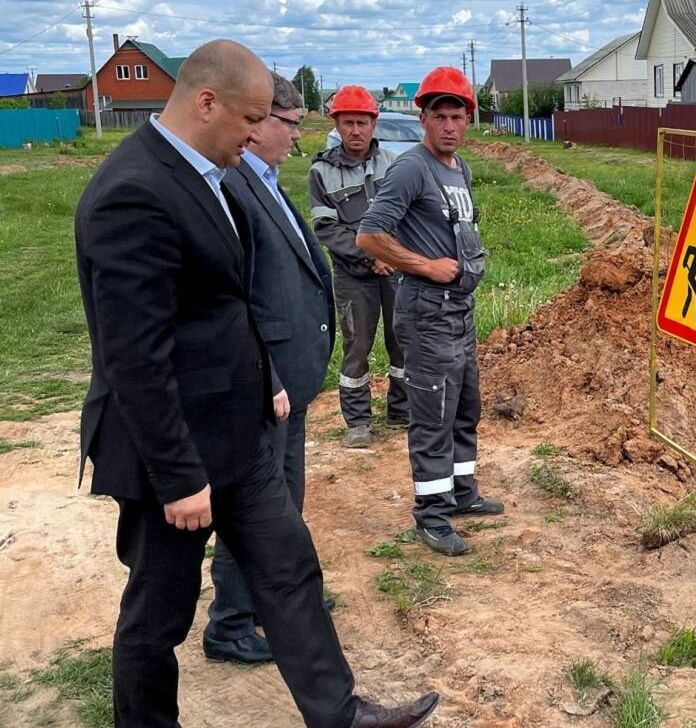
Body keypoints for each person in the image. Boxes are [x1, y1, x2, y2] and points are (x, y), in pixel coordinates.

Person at [75, 39, 438, 728]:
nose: (256, 136)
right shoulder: (134, 192)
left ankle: (338, 713)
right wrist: (180, 477)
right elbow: (134, 357)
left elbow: (227, 306)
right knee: (158, 610)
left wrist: (266, 377)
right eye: (248, 120)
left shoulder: (209, 176)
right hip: (172, 455)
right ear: (205, 102)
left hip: (239, 433)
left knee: (288, 570)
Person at [201, 72, 335, 664]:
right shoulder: (233, 189)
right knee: (257, 506)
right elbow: (233, 299)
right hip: (266, 384)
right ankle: (230, 623)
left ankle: (277, 602)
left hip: (289, 378)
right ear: (257, 125)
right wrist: (271, 376)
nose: (296, 136)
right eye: (290, 123)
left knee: (283, 502)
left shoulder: (267, 182)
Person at [357, 66, 503, 556]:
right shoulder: (411, 167)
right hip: (427, 311)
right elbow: (369, 235)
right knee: (432, 415)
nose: (448, 126)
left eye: (457, 116)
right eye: (438, 116)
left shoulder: (458, 168)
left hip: (459, 311)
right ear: (422, 119)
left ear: (468, 119)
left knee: (465, 408)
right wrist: (426, 266)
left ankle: (462, 494)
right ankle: (432, 515)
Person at [310, 85, 405, 448]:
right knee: (356, 347)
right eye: (348, 122)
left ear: (373, 124)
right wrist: (371, 255)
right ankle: (358, 422)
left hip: (394, 269)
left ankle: (401, 408)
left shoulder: (393, 164)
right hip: (353, 276)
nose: (356, 130)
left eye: (362, 122)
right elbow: (327, 228)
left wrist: (391, 256)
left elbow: (406, 214)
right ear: (337, 124)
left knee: (403, 341)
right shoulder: (322, 172)